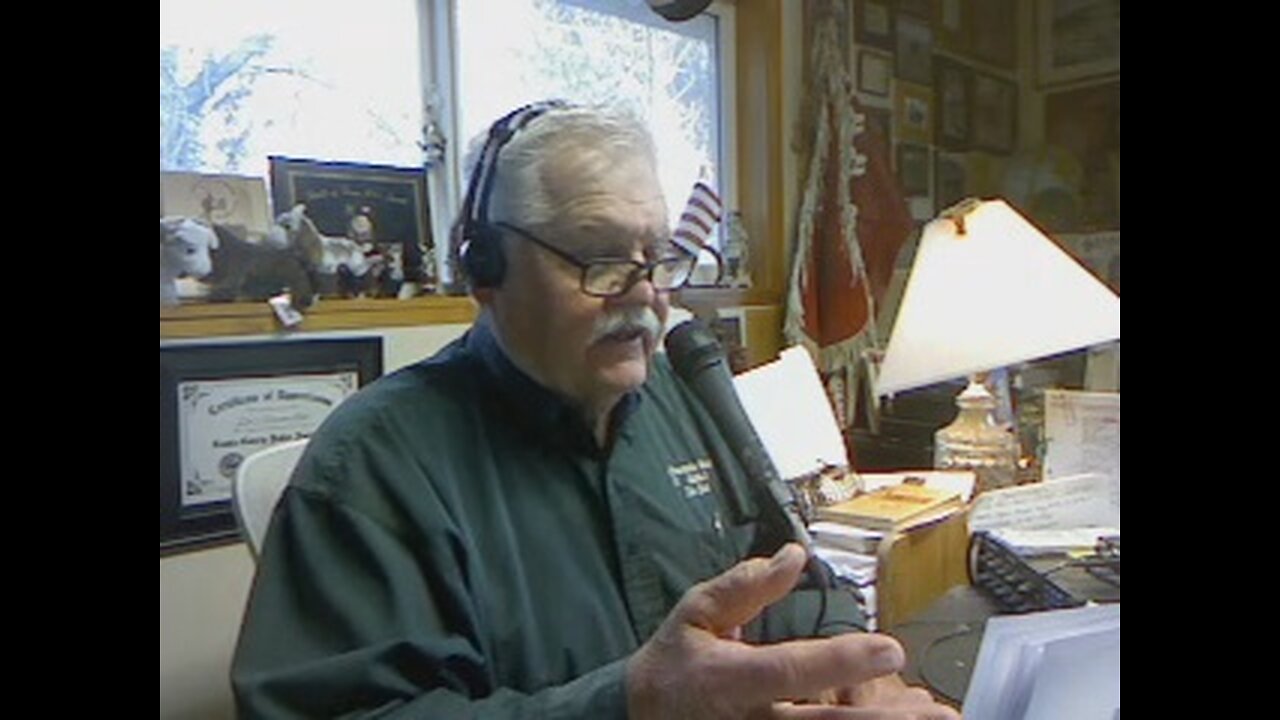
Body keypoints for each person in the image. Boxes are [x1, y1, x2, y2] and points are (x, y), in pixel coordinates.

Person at [231, 102, 958, 719]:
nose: (645, 292)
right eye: (598, 258)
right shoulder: (372, 463)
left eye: (659, 256)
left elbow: (794, 577)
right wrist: (629, 701)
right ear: (486, 269)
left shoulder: (690, 396)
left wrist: (864, 674)